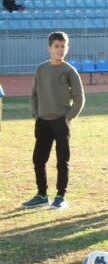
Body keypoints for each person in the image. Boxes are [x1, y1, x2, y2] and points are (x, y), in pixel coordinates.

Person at [22, 31, 85, 210]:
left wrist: (68, 117)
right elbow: (34, 94)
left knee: (62, 160)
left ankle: (60, 196)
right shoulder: (41, 69)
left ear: (67, 48)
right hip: (43, 121)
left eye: (63, 46)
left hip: (60, 122)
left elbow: (80, 98)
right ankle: (42, 195)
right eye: (56, 46)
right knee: (38, 159)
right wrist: (36, 115)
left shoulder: (69, 70)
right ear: (49, 48)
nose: (60, 50)